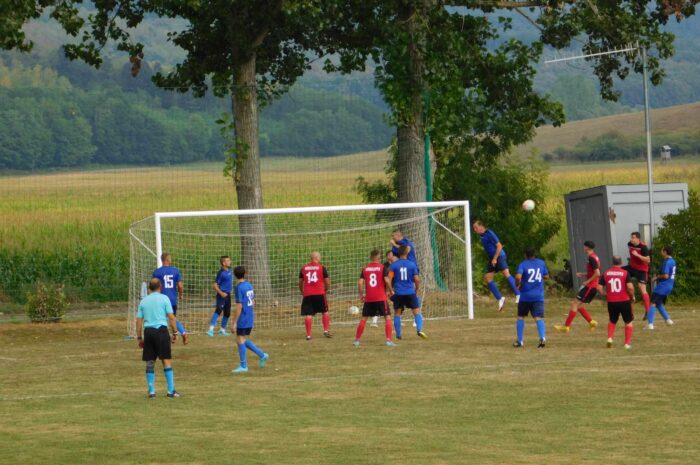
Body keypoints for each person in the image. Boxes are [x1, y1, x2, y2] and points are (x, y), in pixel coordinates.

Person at [136, 278, 179, 398]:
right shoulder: (164, 298)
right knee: (166, 360)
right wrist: (175, 332)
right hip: (161, 331)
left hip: (148, 332)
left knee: (150, 362)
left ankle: (152, 391)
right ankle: (170, 391)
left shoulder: (143, 301)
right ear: (160, 287)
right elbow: (171, 317)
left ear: (149, 288)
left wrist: (139, 337)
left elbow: (139, 321)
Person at [472, 220, 520, 311]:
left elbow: (499, 246)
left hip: (499, 256)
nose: (475, 229)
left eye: (476, 227)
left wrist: (495, 258)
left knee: (506, 273)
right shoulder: (481, 236)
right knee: (487, 278)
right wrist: (493, 259)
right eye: (474, 228)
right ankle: (500, 299)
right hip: (492, 258)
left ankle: (519, 294)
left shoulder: (489, 233)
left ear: (481, 226)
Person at [354, 250, 397, 347]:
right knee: (387, 317)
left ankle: (357, 340)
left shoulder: (365, 269)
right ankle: (389, 340)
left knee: (364, 319)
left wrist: (361, 295)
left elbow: (360, 283)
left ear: (371, 258)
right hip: (381, 298)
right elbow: (387, 280)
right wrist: (391, 290)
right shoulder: (382, 268)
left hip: (369, 298)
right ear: (378, 258)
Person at [555, 240, 599, 333]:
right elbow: (593, 272)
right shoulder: (594, 257)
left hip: (591, 286)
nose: (583, 248)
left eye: (584, 246)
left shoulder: (591, 258)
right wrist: (583, 274)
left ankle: (566, 327)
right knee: (578, 305)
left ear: (587, 247)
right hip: (591, 285)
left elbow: (597, 273)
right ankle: (591, 322)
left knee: (575, 304)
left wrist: (587, 281)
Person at [231, 266, 269, 373]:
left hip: (243, 317)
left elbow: (239, 306)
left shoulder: (238, 287)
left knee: (240, 339)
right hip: (249, 315)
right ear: (245, 273)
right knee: (240, 339)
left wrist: (234, 322)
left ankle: (244, 366)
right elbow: (253, 302)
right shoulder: (249, 285)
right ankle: (262, 355)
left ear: (235, 275)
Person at [388, 245, 427, 340]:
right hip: (410, 292)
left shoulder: (393, 265)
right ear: (407, 253)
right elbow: (417, 279)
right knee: (417, 312)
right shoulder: (412, 264)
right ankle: (419, 329)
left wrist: (390, 290)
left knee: (397, 313)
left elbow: (389, 279)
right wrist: (417, 289)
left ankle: (398, 334)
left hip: (398, 293)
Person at [514, 248, 549, 348]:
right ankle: (542, 338)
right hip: (538, 296)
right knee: (538, 317)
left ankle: (520, 341)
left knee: (521, 316)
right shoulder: (541, 263)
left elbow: (518, 277)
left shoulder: (523, 264)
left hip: (525, 296)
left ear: (525, 255)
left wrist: (517, 284)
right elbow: (546, 276)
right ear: (535, 254)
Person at [152, 253, 188, 345]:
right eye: (170, 258)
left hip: (161, 300)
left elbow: (153, 286)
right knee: (173, 319)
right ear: (167, 260)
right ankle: (183, 332)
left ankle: (165, 338)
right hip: (172, 300)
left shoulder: (157, 272)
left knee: (161, 320)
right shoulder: (175, 271)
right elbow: (180, 286)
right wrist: (180, 295)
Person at [601, 256, 636, 350]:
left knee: (612, 320)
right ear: (621, 263)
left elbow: (599, 287)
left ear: (612, 262)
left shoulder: (606, 273)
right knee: (628, 322)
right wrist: (632, 296)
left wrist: (604, 294)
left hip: (611, 301)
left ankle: (610, 338)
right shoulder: (625, 273)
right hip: (624, 300)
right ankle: (627, 344)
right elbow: (630, 287)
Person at [299, 251, 331, 340]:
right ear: (317, 257)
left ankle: (308, 335)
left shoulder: (304, 268)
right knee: (325, 311)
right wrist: (326, 289)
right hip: (320, 293)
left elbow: (300, 282)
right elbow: (327, 281)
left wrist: (302, 291)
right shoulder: (321, 267)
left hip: (308, 294)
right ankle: (326, 330)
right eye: (320, 257)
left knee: (308, 314)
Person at [647, 245, 676, 329]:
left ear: (665, 252)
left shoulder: (667, 262)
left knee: (652, 302)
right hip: (669, 285)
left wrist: (656, 277)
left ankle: (650, 324)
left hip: (663, 286)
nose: (661, 251)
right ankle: (668, 320)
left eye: (662, 250)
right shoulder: (672, 261)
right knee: (658, 303)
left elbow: (666, 276)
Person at [624, 232, 652, 318]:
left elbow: (648, 260)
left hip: (642, 270)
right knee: (619, 272)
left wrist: (638, 255)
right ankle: (630, 304)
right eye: (631, 237)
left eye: (633, 237)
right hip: (632, 267)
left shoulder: (643, 247)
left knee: (641, 287)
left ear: (638, 239)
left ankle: (648, 312)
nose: (631, 239)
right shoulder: (629, 244)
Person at [207, 256, 233, 337]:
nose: (230, 261)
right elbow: (215, 285)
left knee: (227, 313)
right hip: (221, 295)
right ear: (223, 263)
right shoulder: (221, 273)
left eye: (229, 260)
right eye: (228, 260)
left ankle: (222, 330)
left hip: (228, 295)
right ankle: (210, 330)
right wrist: (221, 293)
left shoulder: (230, 271)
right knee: (218, 310)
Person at [371, 250, 398, 328]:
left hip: (393, 287)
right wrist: (387, 290)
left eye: (393, 255)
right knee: (380, 304)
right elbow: (385, 279)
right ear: (387, 257)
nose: (392, 256)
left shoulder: (397, 265)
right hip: (384, 288)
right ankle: (374, 321)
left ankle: (397, 319)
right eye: (390, 255)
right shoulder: (384, 266)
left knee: (397, 303)